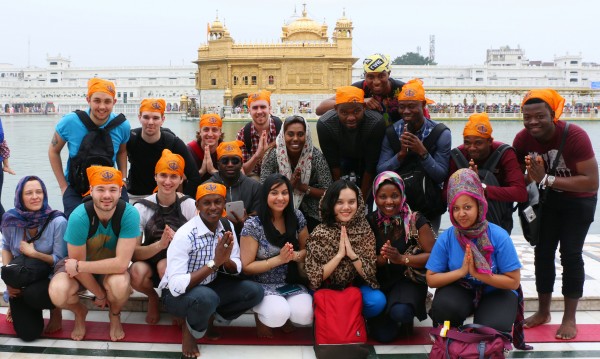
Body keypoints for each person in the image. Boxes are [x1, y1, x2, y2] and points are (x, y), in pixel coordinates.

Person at [513, 89, 598, 340]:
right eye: (527, 117)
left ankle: (569, 317)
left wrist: (547, 179)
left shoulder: (574, 137)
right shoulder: (522, 139)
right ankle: (543, 311)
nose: (533, 122)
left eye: (539, 116)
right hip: (548, 201)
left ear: (553, 114)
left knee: (571, 254)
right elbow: (520, 177)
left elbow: (592, 182)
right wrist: (532, 176)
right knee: (542, 252)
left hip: (578, 201)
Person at [159, 182, 264, 358]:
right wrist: (215, 263)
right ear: (197, 205)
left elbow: (237, 265)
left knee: (255, 292)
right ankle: (191, 329)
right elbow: (176, 286)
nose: (213, 207)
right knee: (206, 298)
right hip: (176, 295)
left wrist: (226, 261)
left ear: (224, 203)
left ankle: (210, 317)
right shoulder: (185, 235)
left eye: (218, 202)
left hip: (210, 285)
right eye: (207, 203)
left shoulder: (227, 226)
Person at [48, 166, 140, 342]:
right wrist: (100, 294)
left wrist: (80, 265)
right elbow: (75, 266)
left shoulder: (129, 214)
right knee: (57, 293)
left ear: (120, 191)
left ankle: (114, 314)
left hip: (107, 269)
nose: (107, 195)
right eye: (100, 189)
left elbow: (121, 264)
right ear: (91, 191)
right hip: (80, 271)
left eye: (113, 189)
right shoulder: (79, 217)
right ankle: (79, 311)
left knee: (120, 285)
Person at [426, 168, 521, 333]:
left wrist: (479, 274)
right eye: (455, 208)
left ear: (480, 204)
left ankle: (487, 317)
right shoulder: (447, 238)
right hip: (462, 288)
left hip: (496, 291)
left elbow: (513, 281)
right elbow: (431, 279)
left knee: (491, 329)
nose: (461, 214)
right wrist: (462, 271)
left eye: (467, 207)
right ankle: (452, 335)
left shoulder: (499, 236)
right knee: (444, 309)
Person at [240, 174, 313, 338]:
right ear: (265, 194)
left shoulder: (296, 216)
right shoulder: (253, 224)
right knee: (277, 315)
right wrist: (279, 259)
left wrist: (293, 256)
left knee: (305, 315)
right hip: (262, 284)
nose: (280, 198)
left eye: (285, 192)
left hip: (291, 282)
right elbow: (247, 267)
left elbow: (307, 250)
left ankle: (286, 311)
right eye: (274, 193)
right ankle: (262, 316)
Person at [366, 171, 435, 342]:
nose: (389, 202)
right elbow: (363, 258)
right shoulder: (370, 221)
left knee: (401, 312)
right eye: (383, 196)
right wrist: (381, 260)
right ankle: (385, 314)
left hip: (407, 280)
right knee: (384, 336)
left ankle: (405, 316)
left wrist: (401, 259)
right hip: (380, 282)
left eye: (394, 196)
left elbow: (433, 257)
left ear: (403, 195)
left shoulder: (415, 220)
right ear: (375, 197)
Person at [130, 149, 197, 324]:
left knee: (165, 266)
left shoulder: (189, 205)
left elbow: (200, 244)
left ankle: (173, 302)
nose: (168, 181)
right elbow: (134, 253)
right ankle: (153, 297)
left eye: (174, 177)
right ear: (155, 177)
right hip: (150, 256)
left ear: (182, 179)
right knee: (136, 273)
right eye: (163, 175)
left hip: (181, 261)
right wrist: (160, 244)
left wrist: (179, 243)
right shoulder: (141, 208)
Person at [376, 78, 451, 233]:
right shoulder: (392, 133)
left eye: (412, 106)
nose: (406, 111)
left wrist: (422, 152)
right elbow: (381, 171)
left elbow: (441, 175)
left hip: (429, 203)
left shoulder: (440, 133)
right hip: (398, 205)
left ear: (423, 105)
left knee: (428, 250)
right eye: (402, 107)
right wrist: (401, 154)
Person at [48, 78, 130, 217]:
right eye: (97, 101)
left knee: (126, 217)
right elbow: (53, 151)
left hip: (110, 185)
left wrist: (123, 179)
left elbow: (122, 152)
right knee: (76, 225)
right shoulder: (70, 122)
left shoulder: (122, 125)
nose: (102, 107)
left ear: (114, 102)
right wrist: (63, 186)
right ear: (88, 100)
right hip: (76, 187)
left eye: (107, 101)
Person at [305, 179, 385, 320]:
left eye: (351, 202)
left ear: (359, 204)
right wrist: (339, 255)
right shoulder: (319, 232)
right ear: (330, 204)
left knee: (377, 301)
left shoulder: (364, 230)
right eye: (339, 202)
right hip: (325, 289)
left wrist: (352, 254)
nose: (346, 207)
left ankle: (353, 321)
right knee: (305, 310)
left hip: (353, 288)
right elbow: (314, 277)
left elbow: (370, 272)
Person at [1, 176, 66, 341]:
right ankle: (16, 306)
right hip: (23, 274)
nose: (35, 196)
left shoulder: (57, 221)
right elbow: (6, 247)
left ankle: (55, 309)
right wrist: (10, 281)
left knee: (33, 294)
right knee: (28, 335)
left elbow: (59, 260)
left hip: (48, 276)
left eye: (39, 192)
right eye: (28, 193)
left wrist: (34, 254)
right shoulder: (10, 219)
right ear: (20, 197)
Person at [444, 113, 527, 233]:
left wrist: (481, 187)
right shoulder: (457, 155)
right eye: (467, 142)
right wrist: (465, 183)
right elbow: (445, 194)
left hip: (498, 219)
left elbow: (520, 193)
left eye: (478, 143)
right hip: (464, 222)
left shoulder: (505, 153)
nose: (471, 148)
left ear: (490, 141)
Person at [260, 115, 332, 231]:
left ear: (306, 135)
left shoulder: (315, 156)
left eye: (300, 134)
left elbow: (328, 191)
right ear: (283, 135)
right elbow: (263, 188)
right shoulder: (272, 155)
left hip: (311, 210)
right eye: (290, 134)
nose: (295, 139)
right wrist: (289, 186)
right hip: (279, 205)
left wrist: (302, 187)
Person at [316, 86, 386, 200]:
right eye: (344, 112)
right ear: (336, 109)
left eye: (356, 111)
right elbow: (333, 164)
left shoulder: (376, 123)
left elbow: (371, 165)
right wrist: (342, 195)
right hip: (341, 157)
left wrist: (360, 199)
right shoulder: (325, 124)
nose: (351, 117)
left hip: (364, 157)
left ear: (364, 108)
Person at [126, 98, 202, 201]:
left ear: (163, 120)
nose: (150, 122)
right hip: (135, 195)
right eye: (146, 117)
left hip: (164, 198)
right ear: (139, 118)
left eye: (155, 118)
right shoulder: (130, 138)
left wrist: (183, 201)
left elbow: (194, 177)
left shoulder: (173, 143)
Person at [315, 53, 405, 126]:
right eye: (370, 77)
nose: (376, 82)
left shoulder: (402, 89)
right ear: (364, 76)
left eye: (381, 76)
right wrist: (359, 101)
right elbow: (320, 109)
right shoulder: (359, 89)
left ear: (388, 74)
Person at [207, 140, 261, 236]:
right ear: (218, 164)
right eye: (225, 161)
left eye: (235, 161)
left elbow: (260, 217)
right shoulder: (207, 188)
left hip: (247, 237)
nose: (230, 164)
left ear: (241, 163)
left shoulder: (254, 186)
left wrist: (247, 222)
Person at [235, 90, 282, 179]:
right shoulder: (243, 134)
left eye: (263, 107)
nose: (259, 111)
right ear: (249, 110)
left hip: (278, 174)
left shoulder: (281, 129)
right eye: (255, 108)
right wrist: (257, 156)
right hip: (255, 175)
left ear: (270, 109)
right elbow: (241, 171)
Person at [187, 113, 223, 183]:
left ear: (220, 132)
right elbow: (181, 181)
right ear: (200, 132)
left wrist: (213, 171)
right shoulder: (189, 151)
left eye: (214, 130)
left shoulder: (226, 150)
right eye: (206, 129)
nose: (210, 134)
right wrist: (201, 172)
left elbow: (238, 178)